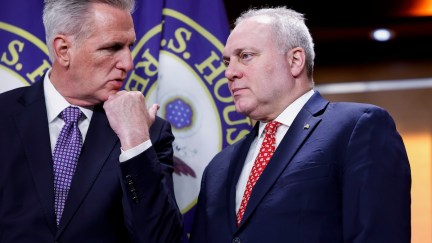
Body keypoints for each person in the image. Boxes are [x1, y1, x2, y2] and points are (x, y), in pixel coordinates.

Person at [190, 6, 411, 243]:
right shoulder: (218, 167)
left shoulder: (357, 128)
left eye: (245, 56)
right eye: (227, 61)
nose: (230, 72)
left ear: (295, 60)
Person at [0, 0, 182, 242]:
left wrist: (135, 141)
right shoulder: (3, 115)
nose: (128, 64)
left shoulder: (150, 132)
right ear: (64, 50)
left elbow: (162, 238)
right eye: (112, 47)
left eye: (129, 46)